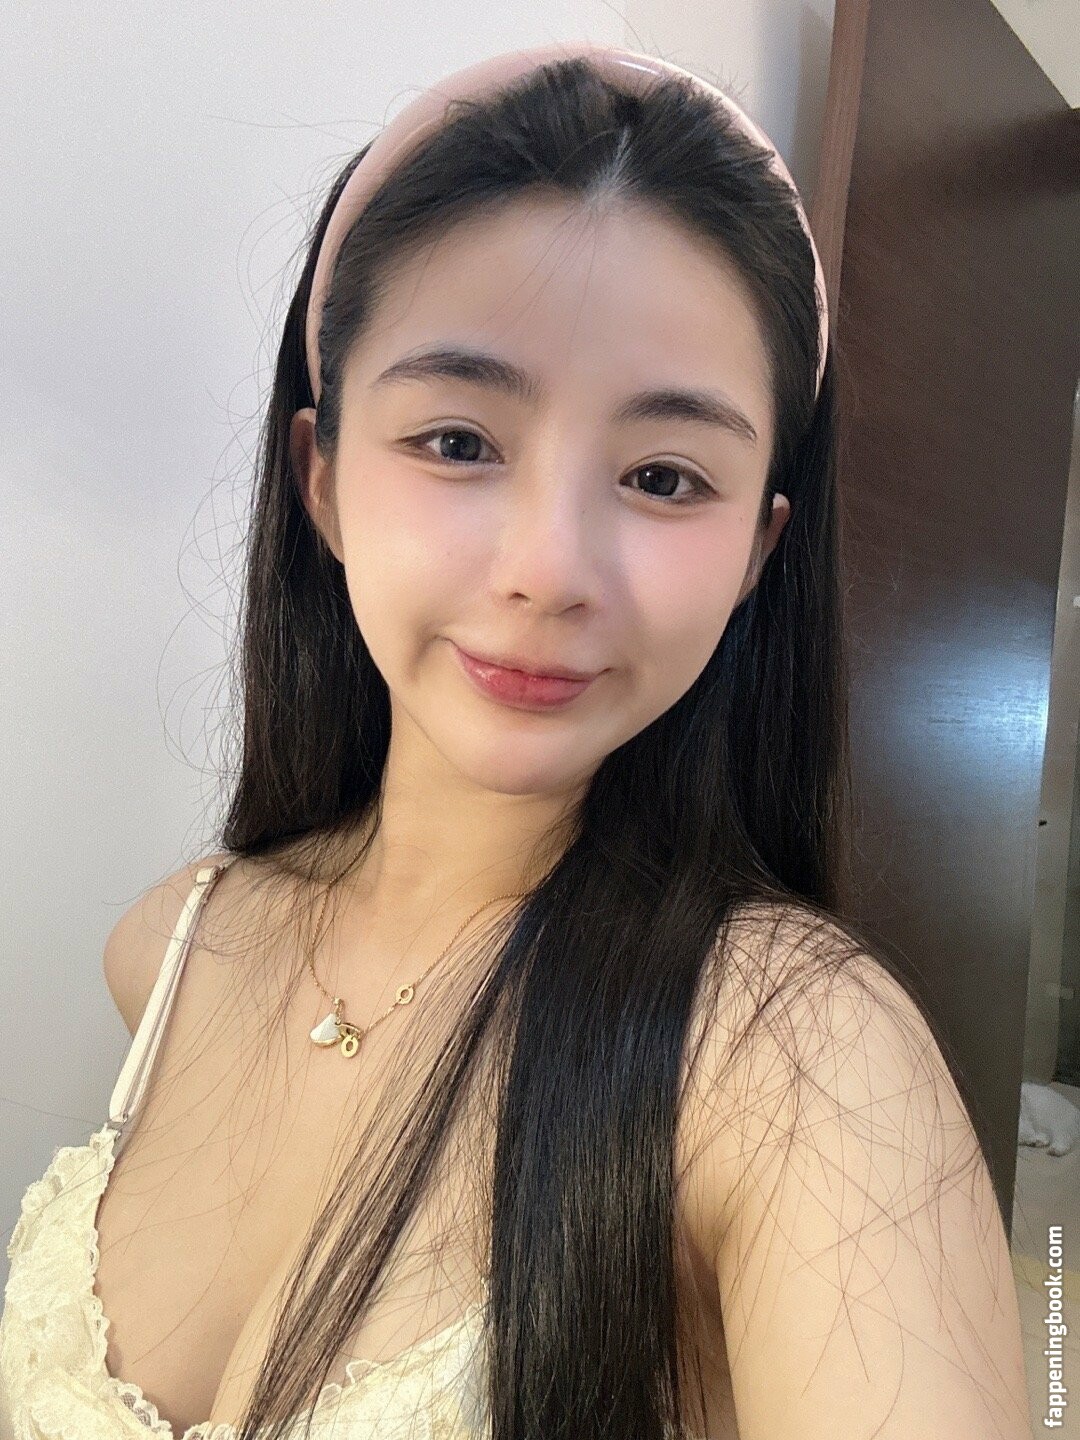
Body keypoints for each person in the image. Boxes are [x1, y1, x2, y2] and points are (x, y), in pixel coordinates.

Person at [0, 40, 1033, 1440]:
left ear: (756, 549)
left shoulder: (795, 1060)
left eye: (664, 476)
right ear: (321, 476)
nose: (550, 569)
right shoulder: (170, 949)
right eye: (457, 443)